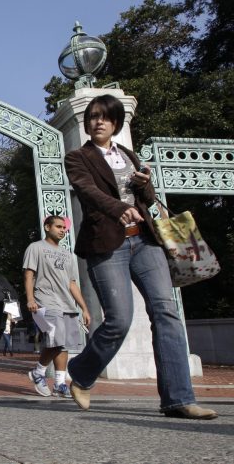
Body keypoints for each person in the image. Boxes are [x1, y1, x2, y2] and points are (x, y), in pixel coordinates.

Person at [63, 94, 216, 419]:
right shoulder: (77, 157)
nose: (98, 121)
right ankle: (82, 372)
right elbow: (87, 192)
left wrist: (145, 185)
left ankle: (178, 399)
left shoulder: (129, 155)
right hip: (107, 245)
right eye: (93, 116)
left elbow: (148, 199)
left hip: (145, 241)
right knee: (119, 320)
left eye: (104, 117)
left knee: (166, 312)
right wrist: (120, 208)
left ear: (116, 122)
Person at [23, 215, 91, 398]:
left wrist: (84, 308)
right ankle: (38, 372)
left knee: (64, 344)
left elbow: (72, 284)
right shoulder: (35, 248)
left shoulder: (67, 254)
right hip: (44, 301)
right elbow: (29, 275)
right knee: (57, 338)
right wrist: (30, 299)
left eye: (64, 228)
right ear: (47, 227)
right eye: (59, 227)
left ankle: (60, 384)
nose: (62, 230)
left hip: (67, 303)